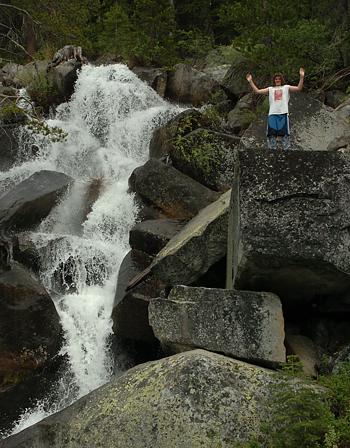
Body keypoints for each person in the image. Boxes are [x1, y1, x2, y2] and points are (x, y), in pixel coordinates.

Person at [246, 68, 305, 150]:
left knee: (285, 133)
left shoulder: (286, 87)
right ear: (274, 80)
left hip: (283, 113)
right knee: (271, 133)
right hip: (272, 113)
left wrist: (301, 77)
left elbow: (299, 88)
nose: (277, 80)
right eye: (276, 79)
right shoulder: (270, 89)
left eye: (279, 79)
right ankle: (272, 150)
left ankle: (286, 150)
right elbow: (258, 91)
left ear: (281, 80)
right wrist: (250, 81)